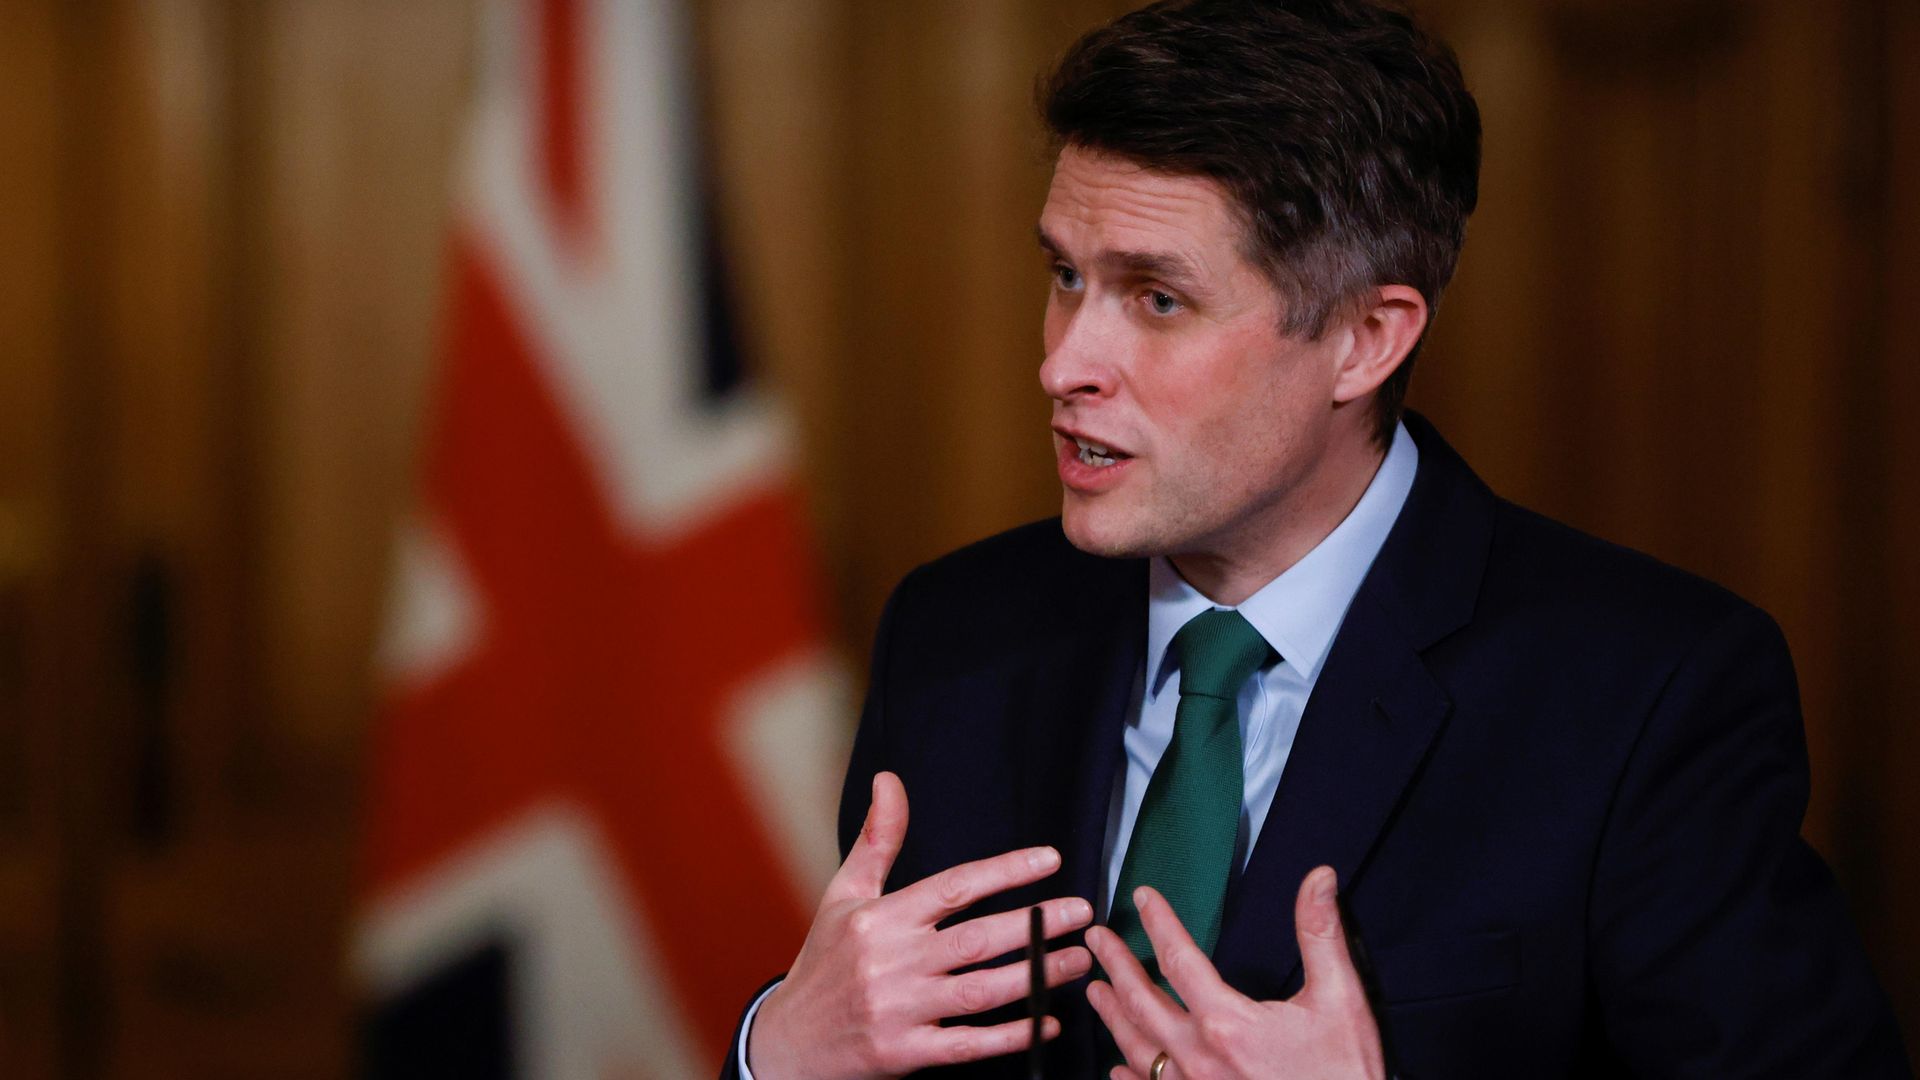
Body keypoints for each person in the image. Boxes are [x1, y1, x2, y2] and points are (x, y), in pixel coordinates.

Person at [724, 1, 1912, 1077]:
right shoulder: (956, 635)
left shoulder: (1650, 693)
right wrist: (778, 1056)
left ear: (1365, 339)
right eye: (1066, 276)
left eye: (1157, 299)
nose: (1063, 363)